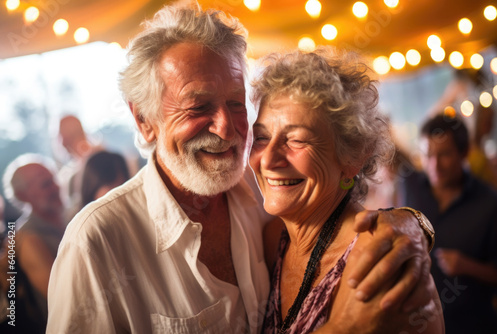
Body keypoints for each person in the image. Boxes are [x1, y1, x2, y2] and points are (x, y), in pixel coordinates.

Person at [48, 4, 435, 333]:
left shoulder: (271, 209)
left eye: (236, 103)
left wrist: (411, 223)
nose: (226, 127)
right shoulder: (96, 242)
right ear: (144, 120)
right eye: (199, 106)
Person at [249, 48, 444, 333]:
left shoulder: (380, 259)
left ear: (353, 157)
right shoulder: (271, 241)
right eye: (262, 136)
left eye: (297, 140)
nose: (267, 159)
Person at [400, 113, 497, 333]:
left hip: (473, 326)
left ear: (464, 153)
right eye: (427, 155)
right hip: (417, 324)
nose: (434, 165)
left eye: (444, 154)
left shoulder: (491, 204)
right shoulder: (411, 186)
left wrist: (467, 266)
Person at [1, 154, 66, 333]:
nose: (55, 187)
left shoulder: (68, 215)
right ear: (23, 195)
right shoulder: (28, 239)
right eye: (45, 184)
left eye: (53, 179)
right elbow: (63, 296)